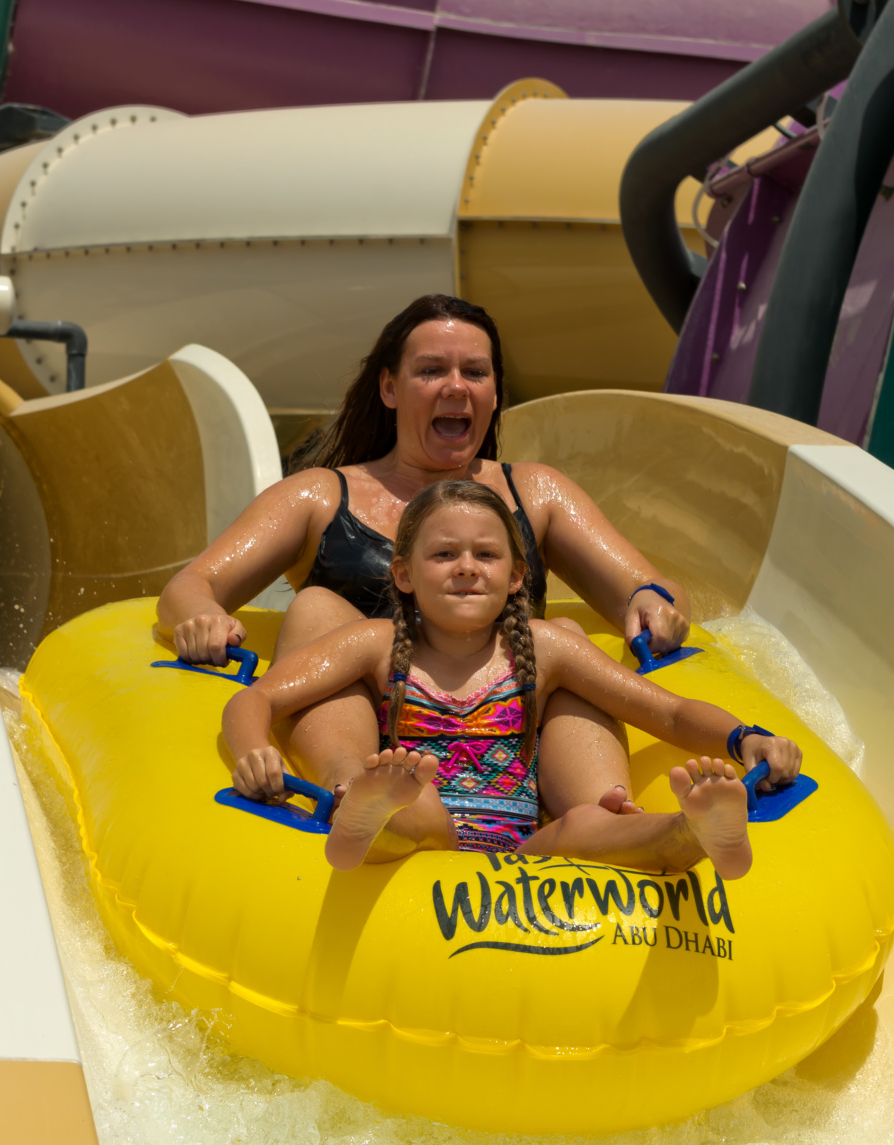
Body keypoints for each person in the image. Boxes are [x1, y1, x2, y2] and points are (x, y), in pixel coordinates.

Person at [157, 293, 690, 819]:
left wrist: (650, 602)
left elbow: (652, 589)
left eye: (475, 373)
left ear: (495, 392)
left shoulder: (537, 493)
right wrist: (201, 617)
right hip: (369, 728)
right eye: (432, 370)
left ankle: (605, 817)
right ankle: (351, 791)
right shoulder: (317, 497)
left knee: (569, 641)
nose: (456, 386)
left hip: (502, 732)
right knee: (317, 608)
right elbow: (191, 585)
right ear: (390, 387)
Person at [222, 477, 803, 872]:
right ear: (403, 574)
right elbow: (258, 699)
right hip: (435, 832)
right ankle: (366, 819)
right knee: (414, 804)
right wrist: (253, 750)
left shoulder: (545, 648)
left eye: (487, 555)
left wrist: (743, 738)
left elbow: (665, 710)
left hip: (525, 846)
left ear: (518, 576)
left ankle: (691, 832)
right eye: (444, 555)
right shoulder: (375, 645)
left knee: (584, 824)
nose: (467, 569)